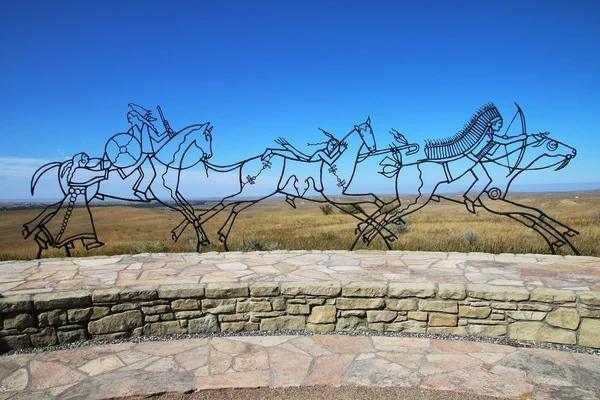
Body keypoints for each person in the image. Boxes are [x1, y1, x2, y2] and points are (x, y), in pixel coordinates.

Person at [23, 152, 108, 256]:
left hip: (76, 200)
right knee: (79, 221)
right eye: (86, 159)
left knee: (65, 223)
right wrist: (109, 167)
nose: (88, 161)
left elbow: (95, 174)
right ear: (81, 161)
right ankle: (89, 242)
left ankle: (42, 238)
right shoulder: (79, 171)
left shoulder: (79, 171)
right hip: (74, 201)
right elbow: (98, 174)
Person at [120, 103, 174, 201]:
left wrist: (167, 131)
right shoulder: (133, 130)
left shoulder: (146, 127)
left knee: (149, 174)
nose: (129, 120)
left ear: (136, 117)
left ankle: (139, 191)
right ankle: (139, 190)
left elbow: (158, 139)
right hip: (140, 154)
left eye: (130, 118)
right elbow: (128, 142)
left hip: (145, 153)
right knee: (146, 173)